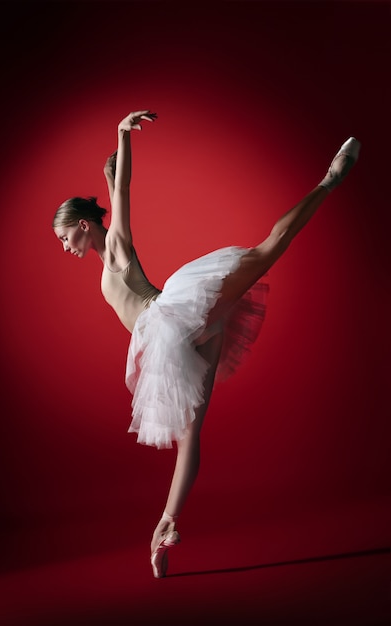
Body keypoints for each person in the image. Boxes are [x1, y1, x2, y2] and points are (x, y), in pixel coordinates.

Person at [53, 110, 361, 578]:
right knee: (190, 437)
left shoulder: (113, 243)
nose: (64, 246)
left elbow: (124, 191)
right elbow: (116, 181)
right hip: (172, 343)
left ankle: (330, 179)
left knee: (265, 250)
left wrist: (121, 134)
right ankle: (166, 528)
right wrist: (108, 167)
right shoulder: (103, 255)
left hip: (174, 320)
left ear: (82, 223)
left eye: (64, 236)